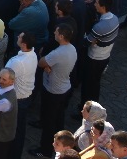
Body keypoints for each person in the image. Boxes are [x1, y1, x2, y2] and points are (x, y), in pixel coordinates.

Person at [34, 24, 77, 157]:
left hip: (53, 90)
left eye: (56, 32)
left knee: (49, 122)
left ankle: (45, 150)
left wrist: (46, 65)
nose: (54, 33)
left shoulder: (58, 53)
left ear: (61, 36)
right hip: (64, 88)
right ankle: (62, 141)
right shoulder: (72, 49)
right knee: (59, 117)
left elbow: (41, 62)